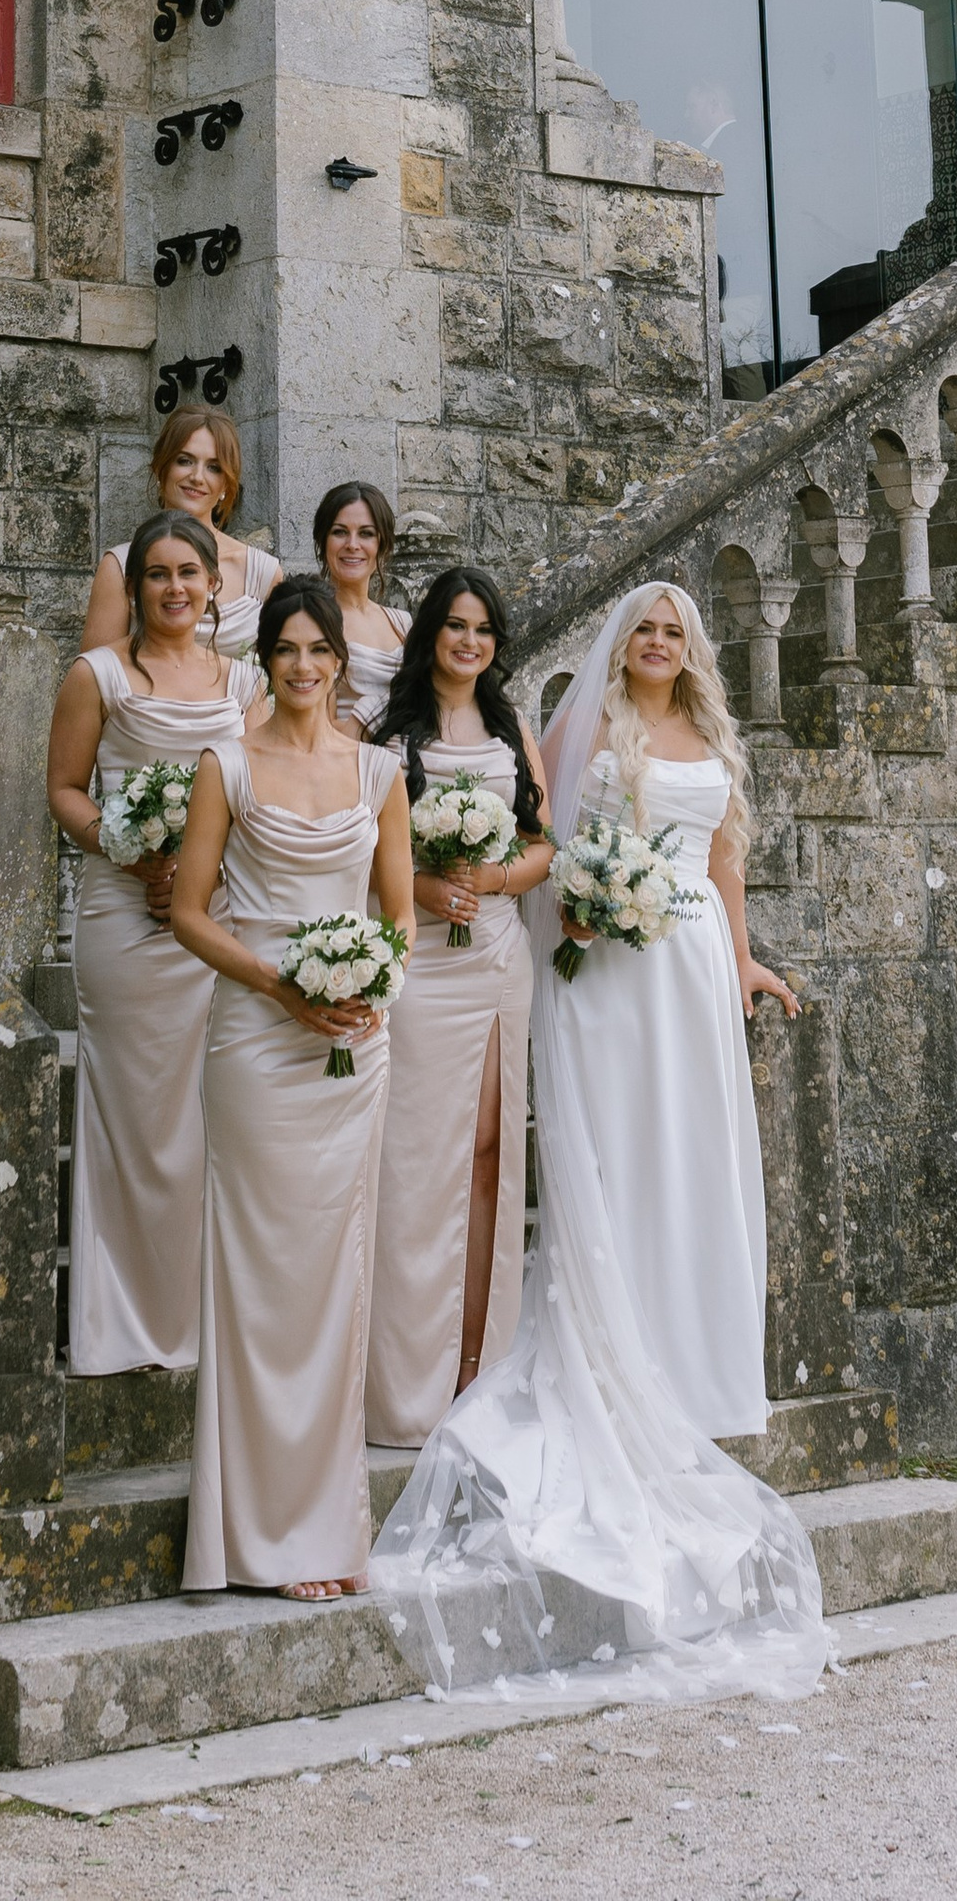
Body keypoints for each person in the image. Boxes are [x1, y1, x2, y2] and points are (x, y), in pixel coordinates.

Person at [371, 581, 825, 1705]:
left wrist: (748, 960)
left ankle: (691, 1360)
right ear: (622, 647)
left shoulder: (710, 735)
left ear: (691, 647)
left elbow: (721, 868)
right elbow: (554, 848)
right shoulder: (586, 724)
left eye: (675, 631)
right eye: (645, 632)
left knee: (690, 1170)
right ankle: (615, 1358)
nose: (660, 644)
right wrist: (580, 908)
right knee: (615, 1169)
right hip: (609, 974)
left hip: (690, 980)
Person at [169, 573, 414, 1600]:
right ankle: (256, 1536)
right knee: (260, 1277)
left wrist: (362, 989)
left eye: (321, 651)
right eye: (288, 651)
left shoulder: (378, 774)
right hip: (254, 1040)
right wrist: (278, 982)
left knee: (333, 1278)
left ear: (339, 663)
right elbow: (189, 912)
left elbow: (397, 920)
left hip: (349, 1046)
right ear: (264, 661)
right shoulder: (225, 764)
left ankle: (323, 1530)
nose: (307, 667)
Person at [45, 513, 259, 1376]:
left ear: (215, 586)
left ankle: (203, 1321)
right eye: (158, 575)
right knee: (134, 1115)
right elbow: (64, 790)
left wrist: (204, 870)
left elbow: (264, 793)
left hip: (215, 922)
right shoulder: (97, 675)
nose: (175, 589)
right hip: (124, 921)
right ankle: (123, 1323)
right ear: (134, 589)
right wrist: (131, 852)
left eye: (189, 574)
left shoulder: (247, 686)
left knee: (211, 1117)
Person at [364, 567, 552, 1446]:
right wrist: (429, 889)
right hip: (424, 965)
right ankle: (409, 1374)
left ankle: (481, 1362)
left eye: (483, 630)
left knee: (488, 1153)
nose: (469, 642)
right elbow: (363, 847)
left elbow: (542, 844)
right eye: (454, 627)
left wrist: (497, 878)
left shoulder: (512, 728)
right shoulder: (391, 734)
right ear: (430, 635)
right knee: (415, 1163)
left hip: (498, 955)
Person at [81, 409, 280, 658]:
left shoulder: (262, 573)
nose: (197, 477)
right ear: (161, 468)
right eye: (184, 460)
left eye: (214, 467)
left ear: (226, 485)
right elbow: (95, 679)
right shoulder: (119, 567)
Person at [314, 477, 407, 728]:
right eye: (340, 532)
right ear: (323, 542)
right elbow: (319, 731)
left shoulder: (402, 622)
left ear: (382, 544)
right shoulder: (316, 620)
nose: (352, 545)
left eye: (365, 534)